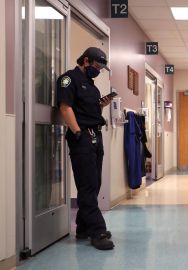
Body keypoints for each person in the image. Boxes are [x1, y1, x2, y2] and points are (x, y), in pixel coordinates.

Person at [56, 47, 115, 250]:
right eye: (97, 66)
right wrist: (78, 132)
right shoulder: (68, 79)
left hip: (95, 136)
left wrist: (102, 105)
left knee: (94, 183)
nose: (98, 71)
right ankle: (97, 231)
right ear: (86, 60)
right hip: (82, 137)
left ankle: (82, 227)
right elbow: (65, 107)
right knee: (88, 184)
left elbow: (90, 109)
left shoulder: (92, 87)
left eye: (101, 68)